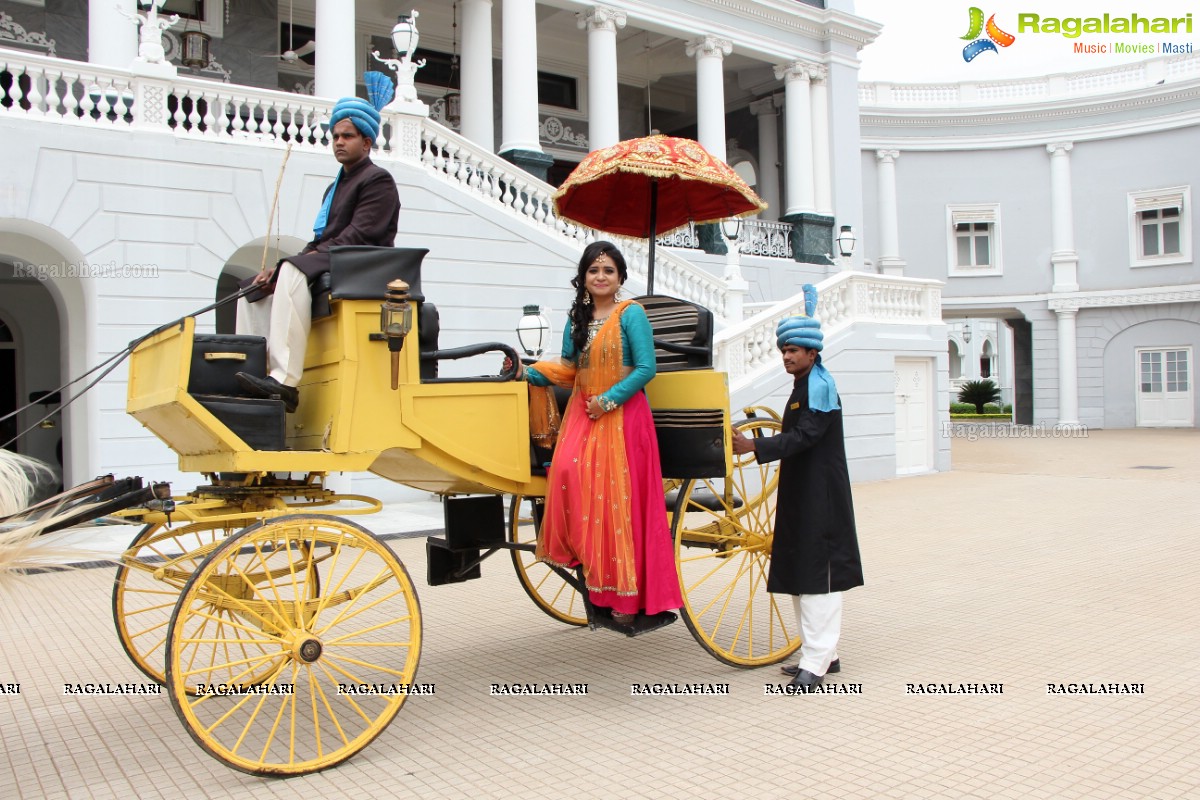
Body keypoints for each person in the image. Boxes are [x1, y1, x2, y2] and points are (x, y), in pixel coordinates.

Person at [520, 241, 682, 630]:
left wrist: (608, 400)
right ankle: (594, 577)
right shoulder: (577, 318)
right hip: (583, 412)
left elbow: (646, 369)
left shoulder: (631, 315)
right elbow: (568, 369)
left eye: (608, 270)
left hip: (623, 415)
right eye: (594, 270)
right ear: (583, 277)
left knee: (616, 502)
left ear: (621, 277)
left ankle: (627, 596)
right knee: (567, 477)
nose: (601, 277)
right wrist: (528, 372)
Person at [730, 291, 864, 692]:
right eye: (784, 350)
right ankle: (822, 652)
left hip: (820, 495)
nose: (786, 357)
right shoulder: (805, 383)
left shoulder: (821, 386)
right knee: (802, 573)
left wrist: (756, 445)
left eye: (794, 350)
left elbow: (806, 436)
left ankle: (817, 662)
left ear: (812, 353)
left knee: (818, 579)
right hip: (802, 491)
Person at [235, 95, 401, 412]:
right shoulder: (334, 187)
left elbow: (361, 234)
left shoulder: (378, 180)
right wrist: (280, 267)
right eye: (335, 136)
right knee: (253, 289)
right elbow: (319, 239)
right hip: (338, 256)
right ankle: (255, 375)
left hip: (362, 262)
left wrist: (295, 264)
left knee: (293, 271)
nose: (338, 142)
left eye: (347, 136)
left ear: (366, 143)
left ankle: (284, 382)